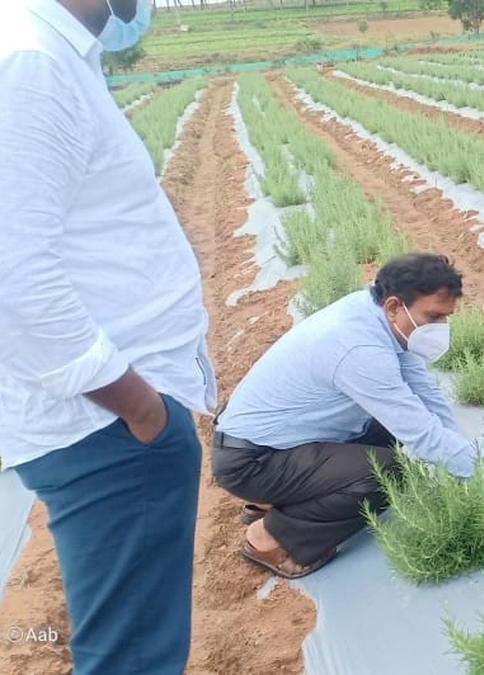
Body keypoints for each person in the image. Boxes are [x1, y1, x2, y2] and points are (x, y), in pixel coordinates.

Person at [0, 1, 213, 673]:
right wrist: (140, 408)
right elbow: (14, 275)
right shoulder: (29, 62)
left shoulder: (47, 52)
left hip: (103, 423)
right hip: (106, 429)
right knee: (133, 658)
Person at [212, 253, 484, 579]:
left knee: (397, 431)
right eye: (434, 316)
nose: (440, 327)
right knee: (384, 473)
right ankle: (269, 536)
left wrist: (463, 463)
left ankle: (284, 495)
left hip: (282, 439)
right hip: (252, 460)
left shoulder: (377, 315)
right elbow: (425, 439)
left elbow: (425, 396)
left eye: (446, 317)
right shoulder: (359, 349)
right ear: (394, 305)